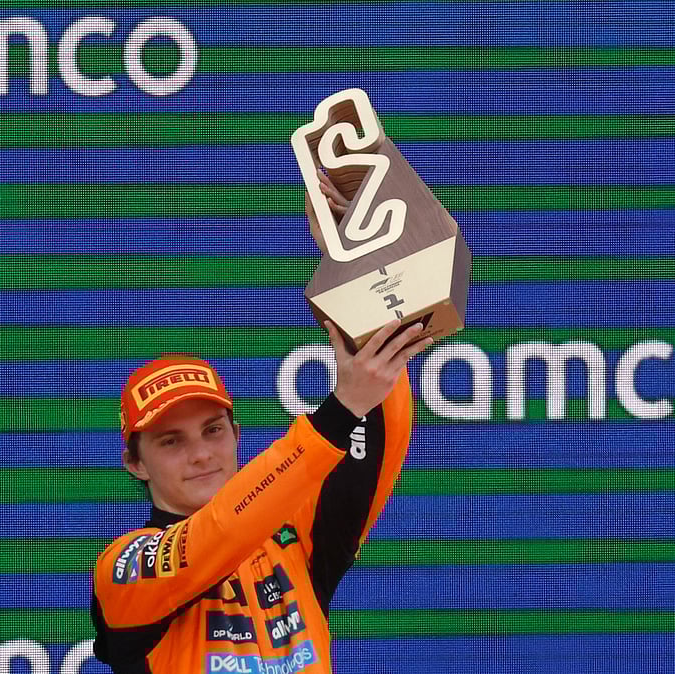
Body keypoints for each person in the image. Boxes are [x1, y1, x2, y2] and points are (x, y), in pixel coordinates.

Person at [89, 172, 425, 673]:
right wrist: (338, 410)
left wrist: (350, 266)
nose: (201, 453)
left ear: (236, 434)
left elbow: (380, 423)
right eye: (170, 441)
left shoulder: (295, 536)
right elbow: (219, 533)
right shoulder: (124, 570)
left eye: (213, 430)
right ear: (135, 464)